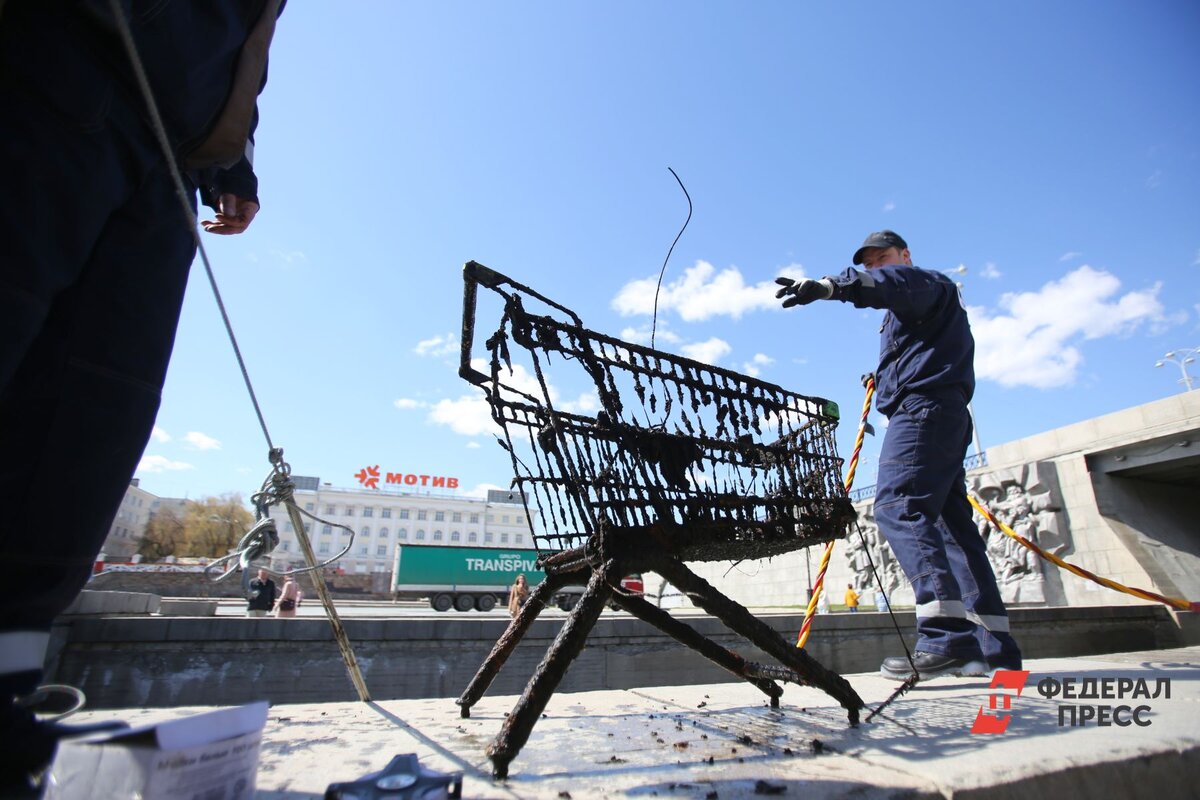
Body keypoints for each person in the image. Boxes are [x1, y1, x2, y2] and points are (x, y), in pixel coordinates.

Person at [0, 1, 285, 790]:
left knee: (95, 414)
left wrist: (234, 161)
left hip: (171, 162)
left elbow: (243, 49)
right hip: (57, 73)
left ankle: (7, 681)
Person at [776, 230, 1022, 681]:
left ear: (904, 255)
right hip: (942, 411)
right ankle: (990, 650)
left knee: (897, 506)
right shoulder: (915, 309)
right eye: (870, 263)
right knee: (952, 528)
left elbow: (885, 286)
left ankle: (946, 636)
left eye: (883, 258)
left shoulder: (921, 283)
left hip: (923, 410)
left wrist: (830, 286)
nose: (878, 268)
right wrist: (885, 374)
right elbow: (914, 343)